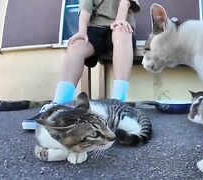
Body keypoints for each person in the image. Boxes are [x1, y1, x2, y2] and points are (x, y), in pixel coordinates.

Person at [22, 0, 140, 130]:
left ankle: (119, 104)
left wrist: (119, 21)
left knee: (122, 31)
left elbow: (126, 2)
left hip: (120, 25)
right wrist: (82, 31)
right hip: (95, 28)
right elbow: (85, 6)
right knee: (76, 44)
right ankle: (59, 105)